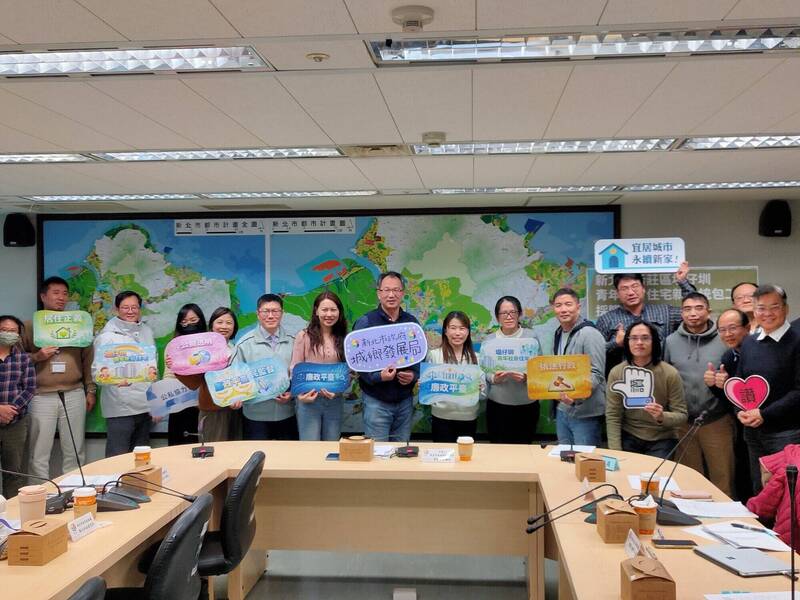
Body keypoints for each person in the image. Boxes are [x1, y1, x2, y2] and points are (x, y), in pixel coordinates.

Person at [23, 276, 95, 480]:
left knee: (75, 449)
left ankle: (75, 491)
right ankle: (40, 492)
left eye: (65, 293)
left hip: (74, 392)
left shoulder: (78, 325)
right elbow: (16, 359)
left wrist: (90, 389)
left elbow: (88, 359)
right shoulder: (29, 326)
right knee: (39, 451)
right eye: (56, 293)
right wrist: (37, 356)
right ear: (43, 296)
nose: (61, 297)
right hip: (40, 395)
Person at [734, 284, 800, 494]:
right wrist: (741, 411)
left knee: (787, 494)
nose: (768, 313)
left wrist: (764, 414)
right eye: (761, 308)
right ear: (754, 311)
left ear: (786, 309)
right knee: (760, 491)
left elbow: (798, 391)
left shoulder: (797, 341)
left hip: (787, 432)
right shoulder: (749, 342)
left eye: (775, 307)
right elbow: (741, 382)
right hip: (753, 432)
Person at [664, 292, 732, 496]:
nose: (693, 313)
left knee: (723, 477)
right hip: (683, 422)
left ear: (708, 311)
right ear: (681, 313)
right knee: (688, 479)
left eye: (699, 308)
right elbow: (666, 376)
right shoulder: (670, 341)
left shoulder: (723, 339)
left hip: (716, 419)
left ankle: (724, 514)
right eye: (687, 309)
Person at [352, 272, 421, 442]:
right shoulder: (366, 322)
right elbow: (357, 360)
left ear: (402, 293)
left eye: (396, 290)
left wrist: (413, 375)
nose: (391, 295)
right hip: (376, 402)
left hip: (405, 401)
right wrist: (378, 377)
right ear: (378, 293)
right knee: (377, 452)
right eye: (386, 290)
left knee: (401, 451)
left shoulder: (411, 323)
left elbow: (419, 356)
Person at [606, 321, 688, 458]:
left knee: (657, 472)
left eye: (645, 338)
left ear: (654, 342)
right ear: (627, 342)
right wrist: (615, 452)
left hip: (662, 437)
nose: (639, 342)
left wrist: (662, 416)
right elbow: (613, 415)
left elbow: (682, 415)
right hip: (629, 434)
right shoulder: (617, 372)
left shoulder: (670, 373)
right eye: (633, 338)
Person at [596, 263, 696, 373]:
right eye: (624, 288)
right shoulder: (606, 320)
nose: (630, 292)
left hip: (661, 376)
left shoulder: (665, 312)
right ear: (617, 293)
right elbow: (595, 354)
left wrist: (683, 282)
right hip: (623, 378)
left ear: (643, 288)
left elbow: (694, 311)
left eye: (635, 286)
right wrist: (615, 343)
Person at [92, 291, 156, 457]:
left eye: (134, 307)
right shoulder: (106, 337)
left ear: (140, 309)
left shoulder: (147, 331)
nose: (130, 311)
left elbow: (152, 366)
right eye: (125, 307)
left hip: (145, 406)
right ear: (116, 309)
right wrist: (112, 381)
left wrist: (156, 403)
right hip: (119, 408)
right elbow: (96, 373)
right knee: (117, 457)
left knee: (141, 458)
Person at [172, 307, 242, 443]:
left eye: (229, 323)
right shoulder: (202, 352)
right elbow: (194, 383)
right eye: (219, 322)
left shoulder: (236, 348)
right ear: (212, 326)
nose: (224, 326)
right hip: (212, 410)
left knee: (234, 449)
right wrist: (176, 366)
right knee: (214, 450)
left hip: (235, 410)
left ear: (234, 327)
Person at [233, 294, 296, 440]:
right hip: (255, 416)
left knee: (287, 454)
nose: (271, 316)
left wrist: (292, 393)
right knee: (258, 453)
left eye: (275, 311)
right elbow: (236, 377)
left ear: (282, 313)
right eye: (266, 311)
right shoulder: (244, 344)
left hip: (287, 413)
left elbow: (299, 374)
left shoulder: (294, 341)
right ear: (258, 314)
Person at [704, 307, 752, 500]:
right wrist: (716, 386)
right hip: (741, 427)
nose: (727, 334)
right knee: (744, 476)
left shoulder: (762, 352)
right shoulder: (728, 357)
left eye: (732, 328)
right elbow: (729, 398)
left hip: (767, 424)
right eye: (722, 330)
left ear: (747, 328)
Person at [550, 288, 606, 446]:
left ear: (578, 307)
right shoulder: (558, 333)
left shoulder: (589, 334)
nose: (563, 309)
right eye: (558, 305)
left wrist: (575, 396)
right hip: (563, 409)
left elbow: (596, 373)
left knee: (585, 458)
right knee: (564, 456)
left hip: (585, 413)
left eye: (568, 304)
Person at [290, 291, 348, 441]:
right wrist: (301, 396)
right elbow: (295, 367)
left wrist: (339, 389)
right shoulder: (304, 336)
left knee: (331, 445)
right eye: (324, 309)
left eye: (333, 310)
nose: (329, 314)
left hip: (334, 401)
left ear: (339, 312)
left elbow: (348, 372)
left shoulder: (345, 338)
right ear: (316, 311)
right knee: (310, 447)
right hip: (308, 401)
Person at [483, 295, 541, 444]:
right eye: (504, 313)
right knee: (499, 449)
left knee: (524, 449)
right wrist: (494, 378)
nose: (508, 316)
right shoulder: (489, 340)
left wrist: (527, 377)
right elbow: (483, 371)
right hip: (497, 405)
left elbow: (539, 368)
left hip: (527, 405)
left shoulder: (531, 337)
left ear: (519, 314)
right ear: (497, 317)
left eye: (513, 312)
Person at [426, 311, 485, 443]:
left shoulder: (477, 358)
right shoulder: (434, 355)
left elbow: (483, 394)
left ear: (468, 332)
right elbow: (428, 393)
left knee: (465, 454)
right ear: (445, 331)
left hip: (468, 417)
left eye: (462, 328)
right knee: (443, 454)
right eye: (453, 328)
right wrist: (424, 386)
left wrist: (480, 388)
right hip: (441, 417)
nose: (457, 333)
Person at [0, 316, 35, 498]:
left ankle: (12, 511)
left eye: (13, 331)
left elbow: (29, 388)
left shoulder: (23, 358)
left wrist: (11, 410)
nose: (8, 334)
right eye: (4, 330)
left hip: (16, 422)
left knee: (14, 472)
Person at [164, 304, 205, 446]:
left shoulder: (209, 343)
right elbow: (168, 375)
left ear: (201, 320)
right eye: (184, 321)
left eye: (193, 320)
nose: (189, 324)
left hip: (203, 404)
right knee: (179, 447)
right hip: (179, 404)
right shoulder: (173, 345)